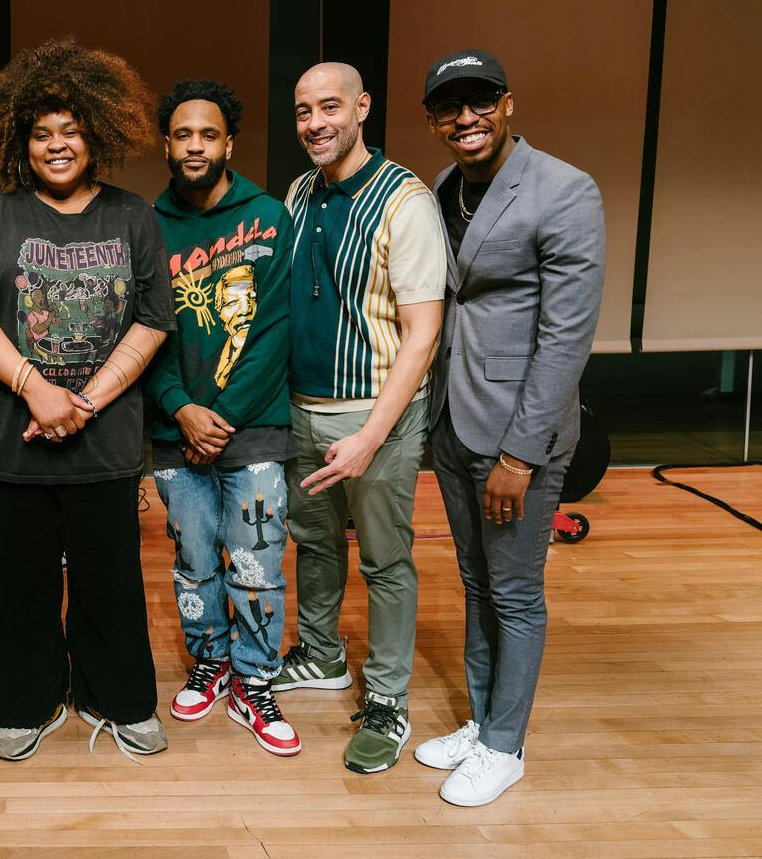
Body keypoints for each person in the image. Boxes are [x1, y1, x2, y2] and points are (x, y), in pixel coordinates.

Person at [0, 37, 175, 762]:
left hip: (102, 442)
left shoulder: (133, 216)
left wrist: (84, 403)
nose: (57, 145)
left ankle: (116, 697)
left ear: (96, 134)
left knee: (110, 580)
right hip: (1, 439)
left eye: (70, 130)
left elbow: (153, 319)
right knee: (14, 583)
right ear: (20, 141)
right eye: (41, 133)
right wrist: (37, 390)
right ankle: (25, 701)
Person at [413, 49, 605, 806]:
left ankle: (505, 746)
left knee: (516, 591)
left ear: (508, 104)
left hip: (517, 435)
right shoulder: (444, 188)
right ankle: (484, 720)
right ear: (434, 120)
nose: (466, 118)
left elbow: (566, 337)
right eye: (449, 106)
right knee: (476, 583)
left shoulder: (564, 189)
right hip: (454, 418)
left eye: (481, 101)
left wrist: (521, 456)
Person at [277, 62, 446, 775]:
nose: (315, 123)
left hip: (377, 415)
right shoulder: (298, 193)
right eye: (303, 111)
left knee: (385, 561)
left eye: (329, 107)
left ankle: (386, 700)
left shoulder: (406, 201)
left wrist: (370, 436)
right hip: (301, 408)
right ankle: (321, 655)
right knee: (314, 544)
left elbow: (423, 333)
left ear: (362, 107)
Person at [145, 79, 299, 756]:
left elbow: (273, 331)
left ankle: (255, 680)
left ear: (229, 143)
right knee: (195, 560)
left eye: (208, 134)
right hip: (174, 429)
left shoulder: (268, 216)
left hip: (253, 428)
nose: (195, 146)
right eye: (183, 134)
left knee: (258, 562)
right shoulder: (147, 224)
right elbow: (145, 332)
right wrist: (182, 409)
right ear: (167, 144)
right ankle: (210, 662)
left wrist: (219, 419)